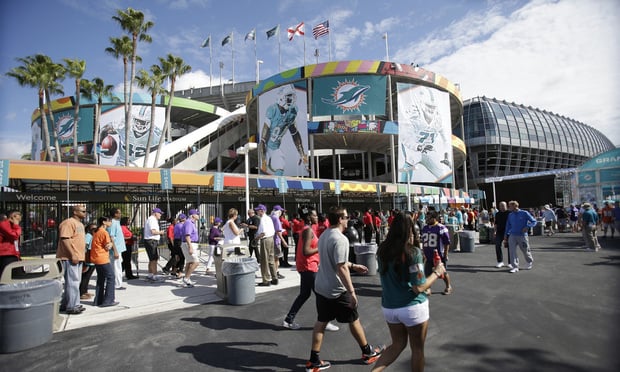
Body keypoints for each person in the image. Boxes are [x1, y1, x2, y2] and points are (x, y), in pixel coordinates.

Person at [305, 206, 385, 371]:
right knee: (354, 319)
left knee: (321, 321)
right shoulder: (340, 239)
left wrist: (354, 265)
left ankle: (313, 360)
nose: (349, 219)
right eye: (346, 217)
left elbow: (336, 261)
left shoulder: (324, 235)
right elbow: (341, 267)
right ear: (340, 219)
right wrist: (352, 291)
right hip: (336, 289)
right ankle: (368, 353)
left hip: (321, 286)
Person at [373, 212, 446, 372]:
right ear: (410, 230)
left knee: (397, 345)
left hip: (389, 307)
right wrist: (437, 272)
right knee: (417, 350)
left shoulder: (383, 250)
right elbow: (418, 287)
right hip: (412, 307)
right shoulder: (413, 253)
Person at [282, 205, 339, 332]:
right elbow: (306, 251)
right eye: (314, 215)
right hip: (309, 267)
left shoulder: (308, 229)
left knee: (305, 294)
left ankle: (288, 319)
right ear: (308, 217)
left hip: (307, 266)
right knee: (321, 294)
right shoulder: (307, 230)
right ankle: (324, 321)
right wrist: (322, 247)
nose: (317, 217)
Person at [259, 84, 308, 175]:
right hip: (267, 147)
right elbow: (263, 139)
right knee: (266, 172)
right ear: (281, 98)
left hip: (275, 148)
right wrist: (263, 159)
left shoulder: (292, 112)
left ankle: (279, 188)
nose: (291, 100)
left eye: (292, 97)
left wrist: (302, 154)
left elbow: (295, 134)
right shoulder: (272, 110)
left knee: (280, 163)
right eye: (289, 98)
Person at [56, 204, 87, 314]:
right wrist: (73, 254)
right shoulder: (68, 223)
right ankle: (73, 306)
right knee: (73, 282)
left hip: (78, 257)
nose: (85, 213)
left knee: (74, 282)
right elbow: (65, 239)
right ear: (75, 212)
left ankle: (66, 304)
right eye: (82, 211)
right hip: (69, 257)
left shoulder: (80, 224)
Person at [421, 210, 452, 294]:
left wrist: (445, 254)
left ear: (434, 218)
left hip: (438, 255)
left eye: (428, 218)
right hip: (428, 254)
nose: (427, 219)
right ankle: (428, 288)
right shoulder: (425, 228)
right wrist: (423, 253)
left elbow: (446, 243)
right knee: (427, 272)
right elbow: (424, 242)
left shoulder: (441, 228)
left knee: (442, 272)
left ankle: (448, 286)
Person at [90, 216, 118, 307]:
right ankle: (108, 300)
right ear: (104, 222)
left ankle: (98, 300)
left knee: (101, 279)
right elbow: (107, 246)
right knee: (111, 277)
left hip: (96, 257)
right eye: (109, 221)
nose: (111, 222)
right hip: (102, 258)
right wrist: (110, 244)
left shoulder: (96, 231)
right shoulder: (104, 232)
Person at [504, 200, 537, 273]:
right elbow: (508, 226)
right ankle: (515, 266)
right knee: (512, 251)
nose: (509, 207)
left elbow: (534, 221)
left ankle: (529, 261)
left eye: (510, 206)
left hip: (522, 235)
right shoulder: (510, 215)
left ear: (515, 206)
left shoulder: (524, 213)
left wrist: (527, 226)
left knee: (525, 250)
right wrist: (506, 235)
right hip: (512, 235)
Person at [255, 204, 278, 286]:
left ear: (262, 211)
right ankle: (274, 277)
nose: (257, 212)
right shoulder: (268, 218)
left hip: (265, 239)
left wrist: (256, 238)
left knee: (264, 260)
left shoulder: (263, 219)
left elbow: (263, 232)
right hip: (271, 238)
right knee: (271, 259)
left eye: (258, 210)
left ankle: (266, 280)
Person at [143, 207, 166, 282]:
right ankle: (155, 275)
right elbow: (153, 231)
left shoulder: (150, 219)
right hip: (152, 241)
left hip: (150, 241)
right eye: (159, 213)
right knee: (154, 259)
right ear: (155, 213)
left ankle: (150, 274)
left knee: (151, 259)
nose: (160, 215)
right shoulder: (152, 220)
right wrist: (161, 232)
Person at [107, 207, 127, 290]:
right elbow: (111, 237)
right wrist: (115, 251)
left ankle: (117, 283)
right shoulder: (113, 223)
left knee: (118, 266)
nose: (120, 214)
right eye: (119, 213)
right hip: (116, 250)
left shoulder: (117, 222)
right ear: (115, 214)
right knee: (116, 267)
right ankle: (117, 284)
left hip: (119, 248)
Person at [181, 209, 201, 287]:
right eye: (197, 214)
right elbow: (187, 235)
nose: (198, 215)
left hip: (189, 244)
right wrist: (190, 247)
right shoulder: (189, 223)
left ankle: (187, 279)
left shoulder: (190, 223)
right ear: (193, 215)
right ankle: (186, 278)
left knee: (189, 262)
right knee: (196, 262)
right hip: (189, 244)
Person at [0, 210, 22, 277]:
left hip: (13, 255)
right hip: (6, 255)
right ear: (13, 216)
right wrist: (16, 225)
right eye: (18, 218)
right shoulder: (4, 224)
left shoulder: (13, 226)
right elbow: (14, 236)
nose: (19, 219)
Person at [79, 223, 97, 300]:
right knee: (85, 277)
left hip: (92, 259)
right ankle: (82, 292)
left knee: (88, 277)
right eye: (93, 229)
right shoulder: (88, 236)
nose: (95, 230)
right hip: (88, 260)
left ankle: (85, 291)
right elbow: (85, 247)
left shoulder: (93, 236)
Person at [271, 205, 288, 280]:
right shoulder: (276, 219)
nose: (281, 212)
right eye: (281, 211)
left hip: (271, 239)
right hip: (276, 240)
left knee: (272, 257)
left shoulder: (270, 217)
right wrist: (283, 241)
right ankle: (276, 272)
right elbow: (278, 231)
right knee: (276, 258)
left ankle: (273, 272)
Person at [493, 202, 510, 268]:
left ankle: (510, 263)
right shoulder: (497, 214)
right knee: (497, 245)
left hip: (508, 232)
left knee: (510, 247)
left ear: (506, 206)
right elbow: (496, 223)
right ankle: (500, 261)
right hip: (499, 232)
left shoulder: (509, 213)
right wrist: (494, 231)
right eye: (500, 206)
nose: (502, 207)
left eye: (503, 206)